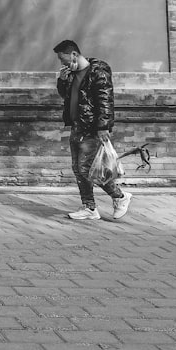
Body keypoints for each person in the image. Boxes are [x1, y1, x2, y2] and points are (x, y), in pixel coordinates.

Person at [54, 40, 132, 221]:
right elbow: (66, 95)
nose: (62, 62)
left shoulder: (98, 71)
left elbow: (105, 100)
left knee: (87, 168)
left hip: (91, 128)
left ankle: (119, 196)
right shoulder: (72, 74)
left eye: (62, 58)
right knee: (78, 169)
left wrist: (103, 126)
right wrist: (62, 80)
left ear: (73, 54)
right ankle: (89, 208)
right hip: (77, 125)